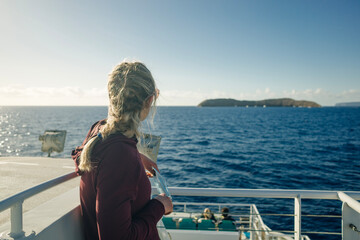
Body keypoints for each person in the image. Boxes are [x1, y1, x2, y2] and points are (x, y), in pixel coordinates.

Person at [71, 61, 173, 240]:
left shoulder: (99, 130)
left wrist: (137, 157)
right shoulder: (120, 155)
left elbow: (87, 157)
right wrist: (159, 206)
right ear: (149, 100)